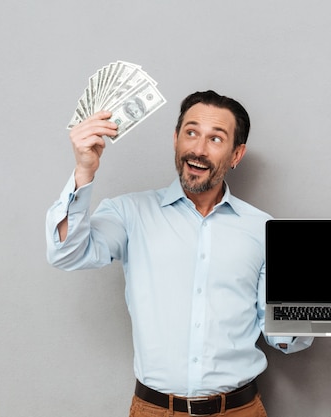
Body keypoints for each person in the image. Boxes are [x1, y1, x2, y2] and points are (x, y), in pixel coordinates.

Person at [46, 90, 313, 416]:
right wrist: (84, 170)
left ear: (236, 155)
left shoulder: (263, 229)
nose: (198, 149)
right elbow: (67, 253)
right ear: (175, 139)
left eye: (216, 139)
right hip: (155, 410)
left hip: (240, 411)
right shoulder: (129, 212)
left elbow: (282, 337)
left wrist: (308, 309)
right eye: (191, 133)